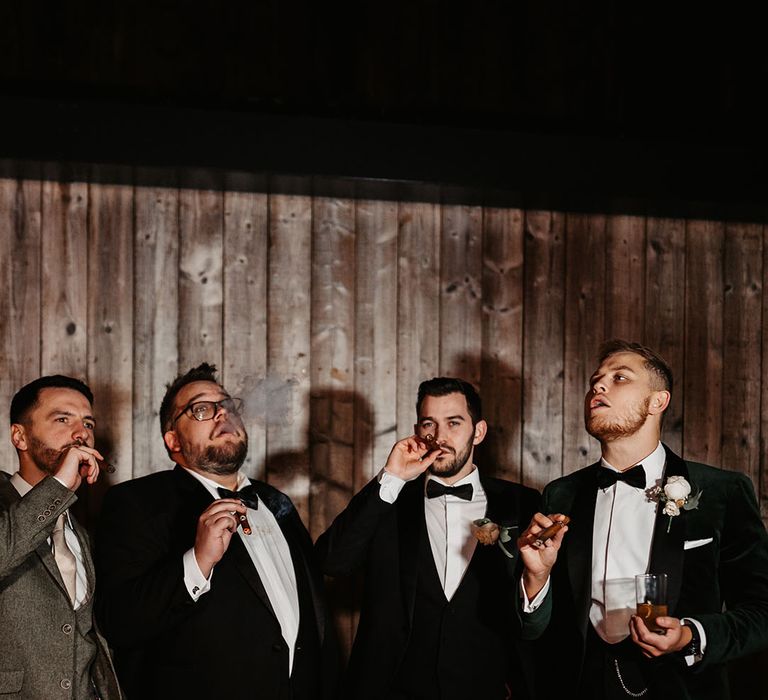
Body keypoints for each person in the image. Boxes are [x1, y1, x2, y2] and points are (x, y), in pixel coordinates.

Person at [526, 339, 768, 699]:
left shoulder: (723, 491)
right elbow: (544, 624)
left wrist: (690, 635)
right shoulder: (561, 495)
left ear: (658, 401)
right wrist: (536, 577)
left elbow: (762, 611)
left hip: (680, 687)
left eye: (620, 378)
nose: (599, 386)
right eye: (596, 379)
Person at [94, 363, 336, 700]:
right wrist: (196, 561)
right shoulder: (137, 503)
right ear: (173, 439)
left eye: (228, 405)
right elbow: (119, 621)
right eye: (202, 409)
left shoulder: (275, 502)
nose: (223, 414)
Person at [316, 377, 562, 700]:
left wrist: (537, 577)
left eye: (454, 423)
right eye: (429, 424)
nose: (440, 437)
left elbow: (533, 620)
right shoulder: (388, 502)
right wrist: (390, 478)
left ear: (479, 432)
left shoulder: (522, 504)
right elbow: (331, 561)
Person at [0, 375, 121, 699]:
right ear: (20, 436)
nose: (82, 433)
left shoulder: (81, 533)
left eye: (88, 423)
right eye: (62, 419)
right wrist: (59, 486)